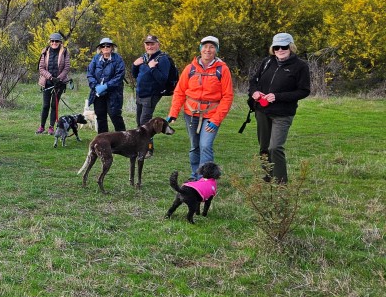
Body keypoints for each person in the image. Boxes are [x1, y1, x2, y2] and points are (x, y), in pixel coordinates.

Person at [167, 35, 235, 181]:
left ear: (216, 50)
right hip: (191, 113)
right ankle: (195, 175)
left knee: (205, 145)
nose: (208, 50)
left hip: (212, 114)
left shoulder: (222, 70)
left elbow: (227, 96)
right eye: (205, 46)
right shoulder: (190, 68)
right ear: (200, 48)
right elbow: (179, 91)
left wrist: (216, 120)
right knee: (194, 146)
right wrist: (173, 113)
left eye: (211, 47)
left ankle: (206, 179)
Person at [248, 32, 311, 184]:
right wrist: (254, 92)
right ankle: (268, 178)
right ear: (272, 48)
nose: (280, 50)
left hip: (283, 113)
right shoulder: (267, 62)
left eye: (284, 47)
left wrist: (278, 96)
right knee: (264, 147)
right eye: (276, 47)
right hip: (262, 111)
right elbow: (253, 81)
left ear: (291, 47)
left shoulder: (300, 66)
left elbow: (304, 91)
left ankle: (281, 183)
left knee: (275, 147)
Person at [131, 33, 173, 154]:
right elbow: (135, 75)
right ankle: (141, 145)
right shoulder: (144, 57)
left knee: (145, 122)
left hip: (151, 95)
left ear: (158, 45)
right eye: (147, 44)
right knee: (139, 121)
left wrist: (152, 68)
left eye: (152, 44)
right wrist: (134, 65)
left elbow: (162, 79)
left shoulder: (162, 59)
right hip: (140, 93)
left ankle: (148, 149)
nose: (150, 46)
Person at [86, 37, 126, 134]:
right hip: (98, 93)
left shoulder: (118, 59)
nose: (105, 47)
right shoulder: (96, 58)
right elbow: (89, 74)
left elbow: (119, 76)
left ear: (112, 47)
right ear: (100, 48)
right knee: (100, 115)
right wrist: (95, 86)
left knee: (115, 115)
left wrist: (106, 86)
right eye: (103, 46)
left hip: (114, 93)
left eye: (108, 45)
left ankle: (124, 140)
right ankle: (103, 141)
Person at [37, 31, 71, 134]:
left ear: (60, 42)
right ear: (50, 42)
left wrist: (59, 79)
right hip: (47, 82)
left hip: (59, 83)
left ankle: (51, 127)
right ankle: (42, 126)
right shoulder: (45, 51)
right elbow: (41, 68)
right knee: (45, 105)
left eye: (56, 41)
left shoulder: (65, 52)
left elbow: (67, 68)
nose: (54, 43)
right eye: (52, 41)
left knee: (54, 105)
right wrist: (51, 78)